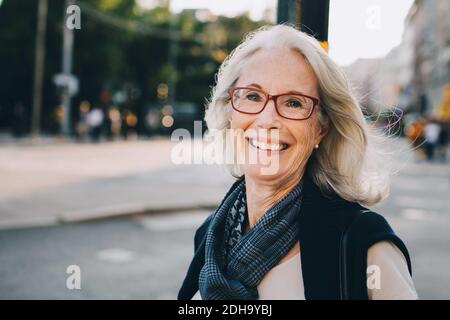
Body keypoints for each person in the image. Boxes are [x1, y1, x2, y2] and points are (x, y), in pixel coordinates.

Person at [178, 25, 418, 300]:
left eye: (293, 102)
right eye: (252, 96)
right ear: (229, 109)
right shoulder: (211, 235)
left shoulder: (365, 247)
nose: (267, 120)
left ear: (321, 127)